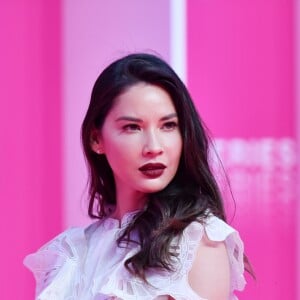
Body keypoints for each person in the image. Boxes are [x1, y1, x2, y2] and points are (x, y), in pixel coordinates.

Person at [24, 53, 247, 300]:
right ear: (96, 139)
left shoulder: (198, 241)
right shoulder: (71, 252)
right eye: (132, 127)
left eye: (168, 126)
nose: (153, 146)